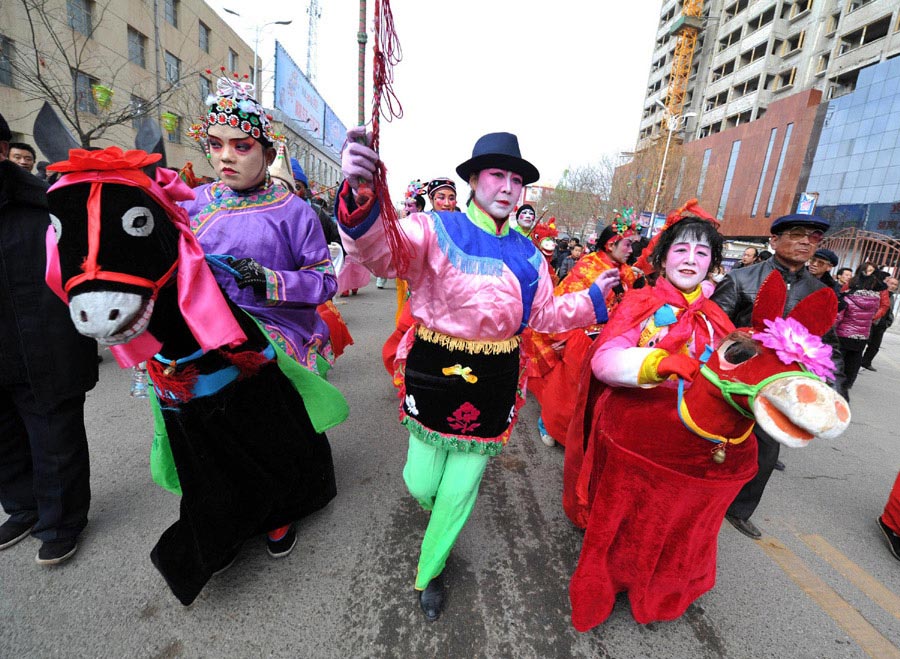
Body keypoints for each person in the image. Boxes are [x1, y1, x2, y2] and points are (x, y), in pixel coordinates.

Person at [338, 128, 619, 622]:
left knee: (459, 486)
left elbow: (546, 315)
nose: (508, 187)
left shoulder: (531, 255)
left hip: (494, 380)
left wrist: (594, 299)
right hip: (432, 372)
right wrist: (362, 196)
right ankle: (438, 517)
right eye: (497, 175)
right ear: (473, 179)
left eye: (517, 179)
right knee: (419, 481)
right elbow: (384, 254)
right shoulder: (433, 227)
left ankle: (431, 567)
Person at [182, 76, 339, 556]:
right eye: (216, 145)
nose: (226, 156)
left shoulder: (294, 212)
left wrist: (271, 280)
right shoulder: (195, 203)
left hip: (273, 333)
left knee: (267, 431)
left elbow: (325, 280)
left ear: (268, 154)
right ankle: (227, 511)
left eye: (241, 146)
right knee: (211, 432)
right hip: (207, 332)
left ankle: (279, 510)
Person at [567, 214, 745, 629]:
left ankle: (662, 579)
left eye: (701, 252)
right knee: (629, 513)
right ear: (664, 259)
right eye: (681, 250)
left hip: (690, 435)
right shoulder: (641, 302)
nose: (690, 259)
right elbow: (605, 362)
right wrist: (658, 363)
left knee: (675, 517)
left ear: (712, 264)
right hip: (635, 428)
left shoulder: (716, 317)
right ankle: (611, 576)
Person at [0, 112, 98, 565]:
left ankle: (60, 521)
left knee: (53, 432)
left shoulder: (50, 204)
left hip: (46, 342)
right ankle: (23, 507)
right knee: (4, 437)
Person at [711, 213, 845, 540]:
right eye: (797, 234)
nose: (805, 242)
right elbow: (712, 327)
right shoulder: (742, 279)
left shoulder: (819, 291)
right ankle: (703, 496)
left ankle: (740, 509)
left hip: (779, 389)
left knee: (766, 454)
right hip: (734, 381)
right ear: (774, 241)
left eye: (812, 238)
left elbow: (830, 346)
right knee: (715, 444)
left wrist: (836, 390)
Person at [834, 266, 882, 392]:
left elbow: (838, 318)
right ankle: (846, 386)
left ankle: (834, 387)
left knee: (837, 364)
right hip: (862, 337)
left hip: (843, 335)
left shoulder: (847, 298)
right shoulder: (875, 301)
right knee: (853, 362)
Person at [861, 276, 897, 372]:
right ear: (886, 282)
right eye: (891, 283)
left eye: (895, 285)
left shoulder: (892, 297)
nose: (893, 286)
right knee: (863, 342)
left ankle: (866, 362)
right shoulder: (879, 292)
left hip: (881, 324)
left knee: (875, 346)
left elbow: (890, 311)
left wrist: (888, 322)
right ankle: (857, 362)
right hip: (872, 321)